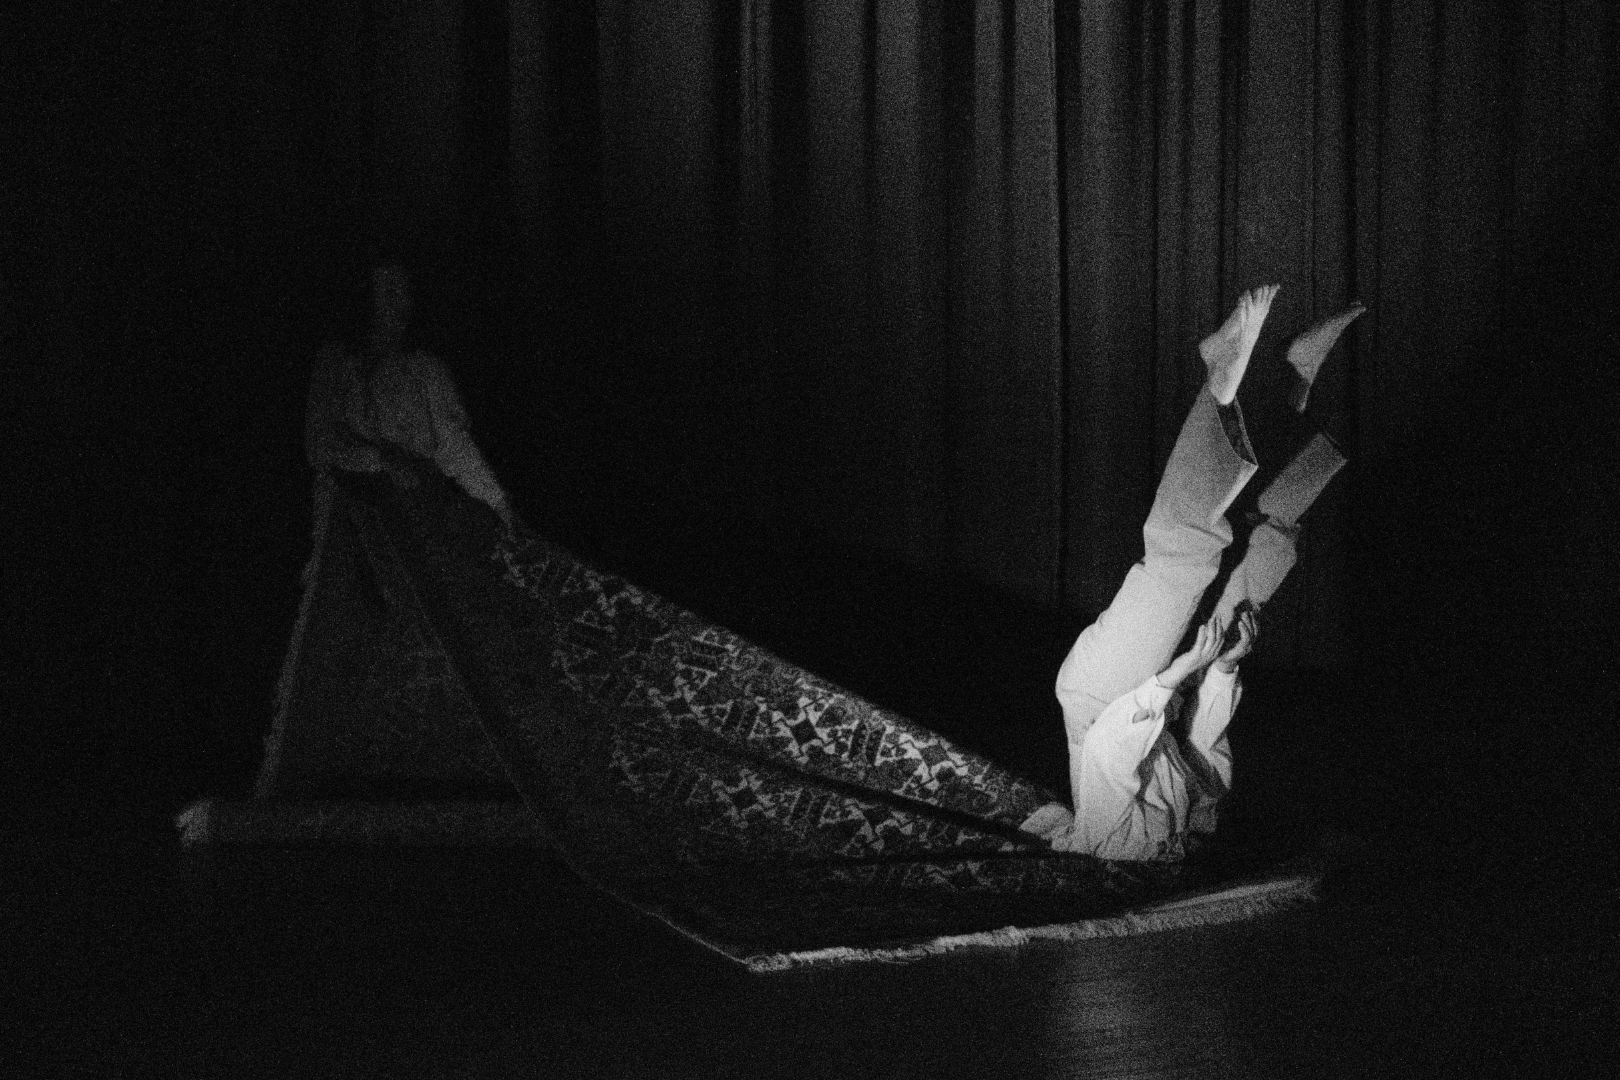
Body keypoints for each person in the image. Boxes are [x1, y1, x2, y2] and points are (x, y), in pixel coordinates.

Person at [1019, 286, 1365, 861]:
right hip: (1170, 694)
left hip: (1101, 697)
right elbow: (1205, 748)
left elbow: (1107, 750)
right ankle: (1294, 388)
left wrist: (1179, 670)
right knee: (1263, 562)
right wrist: (1222, 670)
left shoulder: (1117, 848)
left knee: (1183, 557)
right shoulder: (1195, 825)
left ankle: (1218, 384)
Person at [306, 264, 517, 530]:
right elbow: (319, 444)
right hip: (347, 522)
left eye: (405, 293)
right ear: (366, 300)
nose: (402, 305)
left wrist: (499, 502)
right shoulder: (335, 365)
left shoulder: (426, 371)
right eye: (390, 293)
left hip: (414, 518)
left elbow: (455, 445)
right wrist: (381, 459)